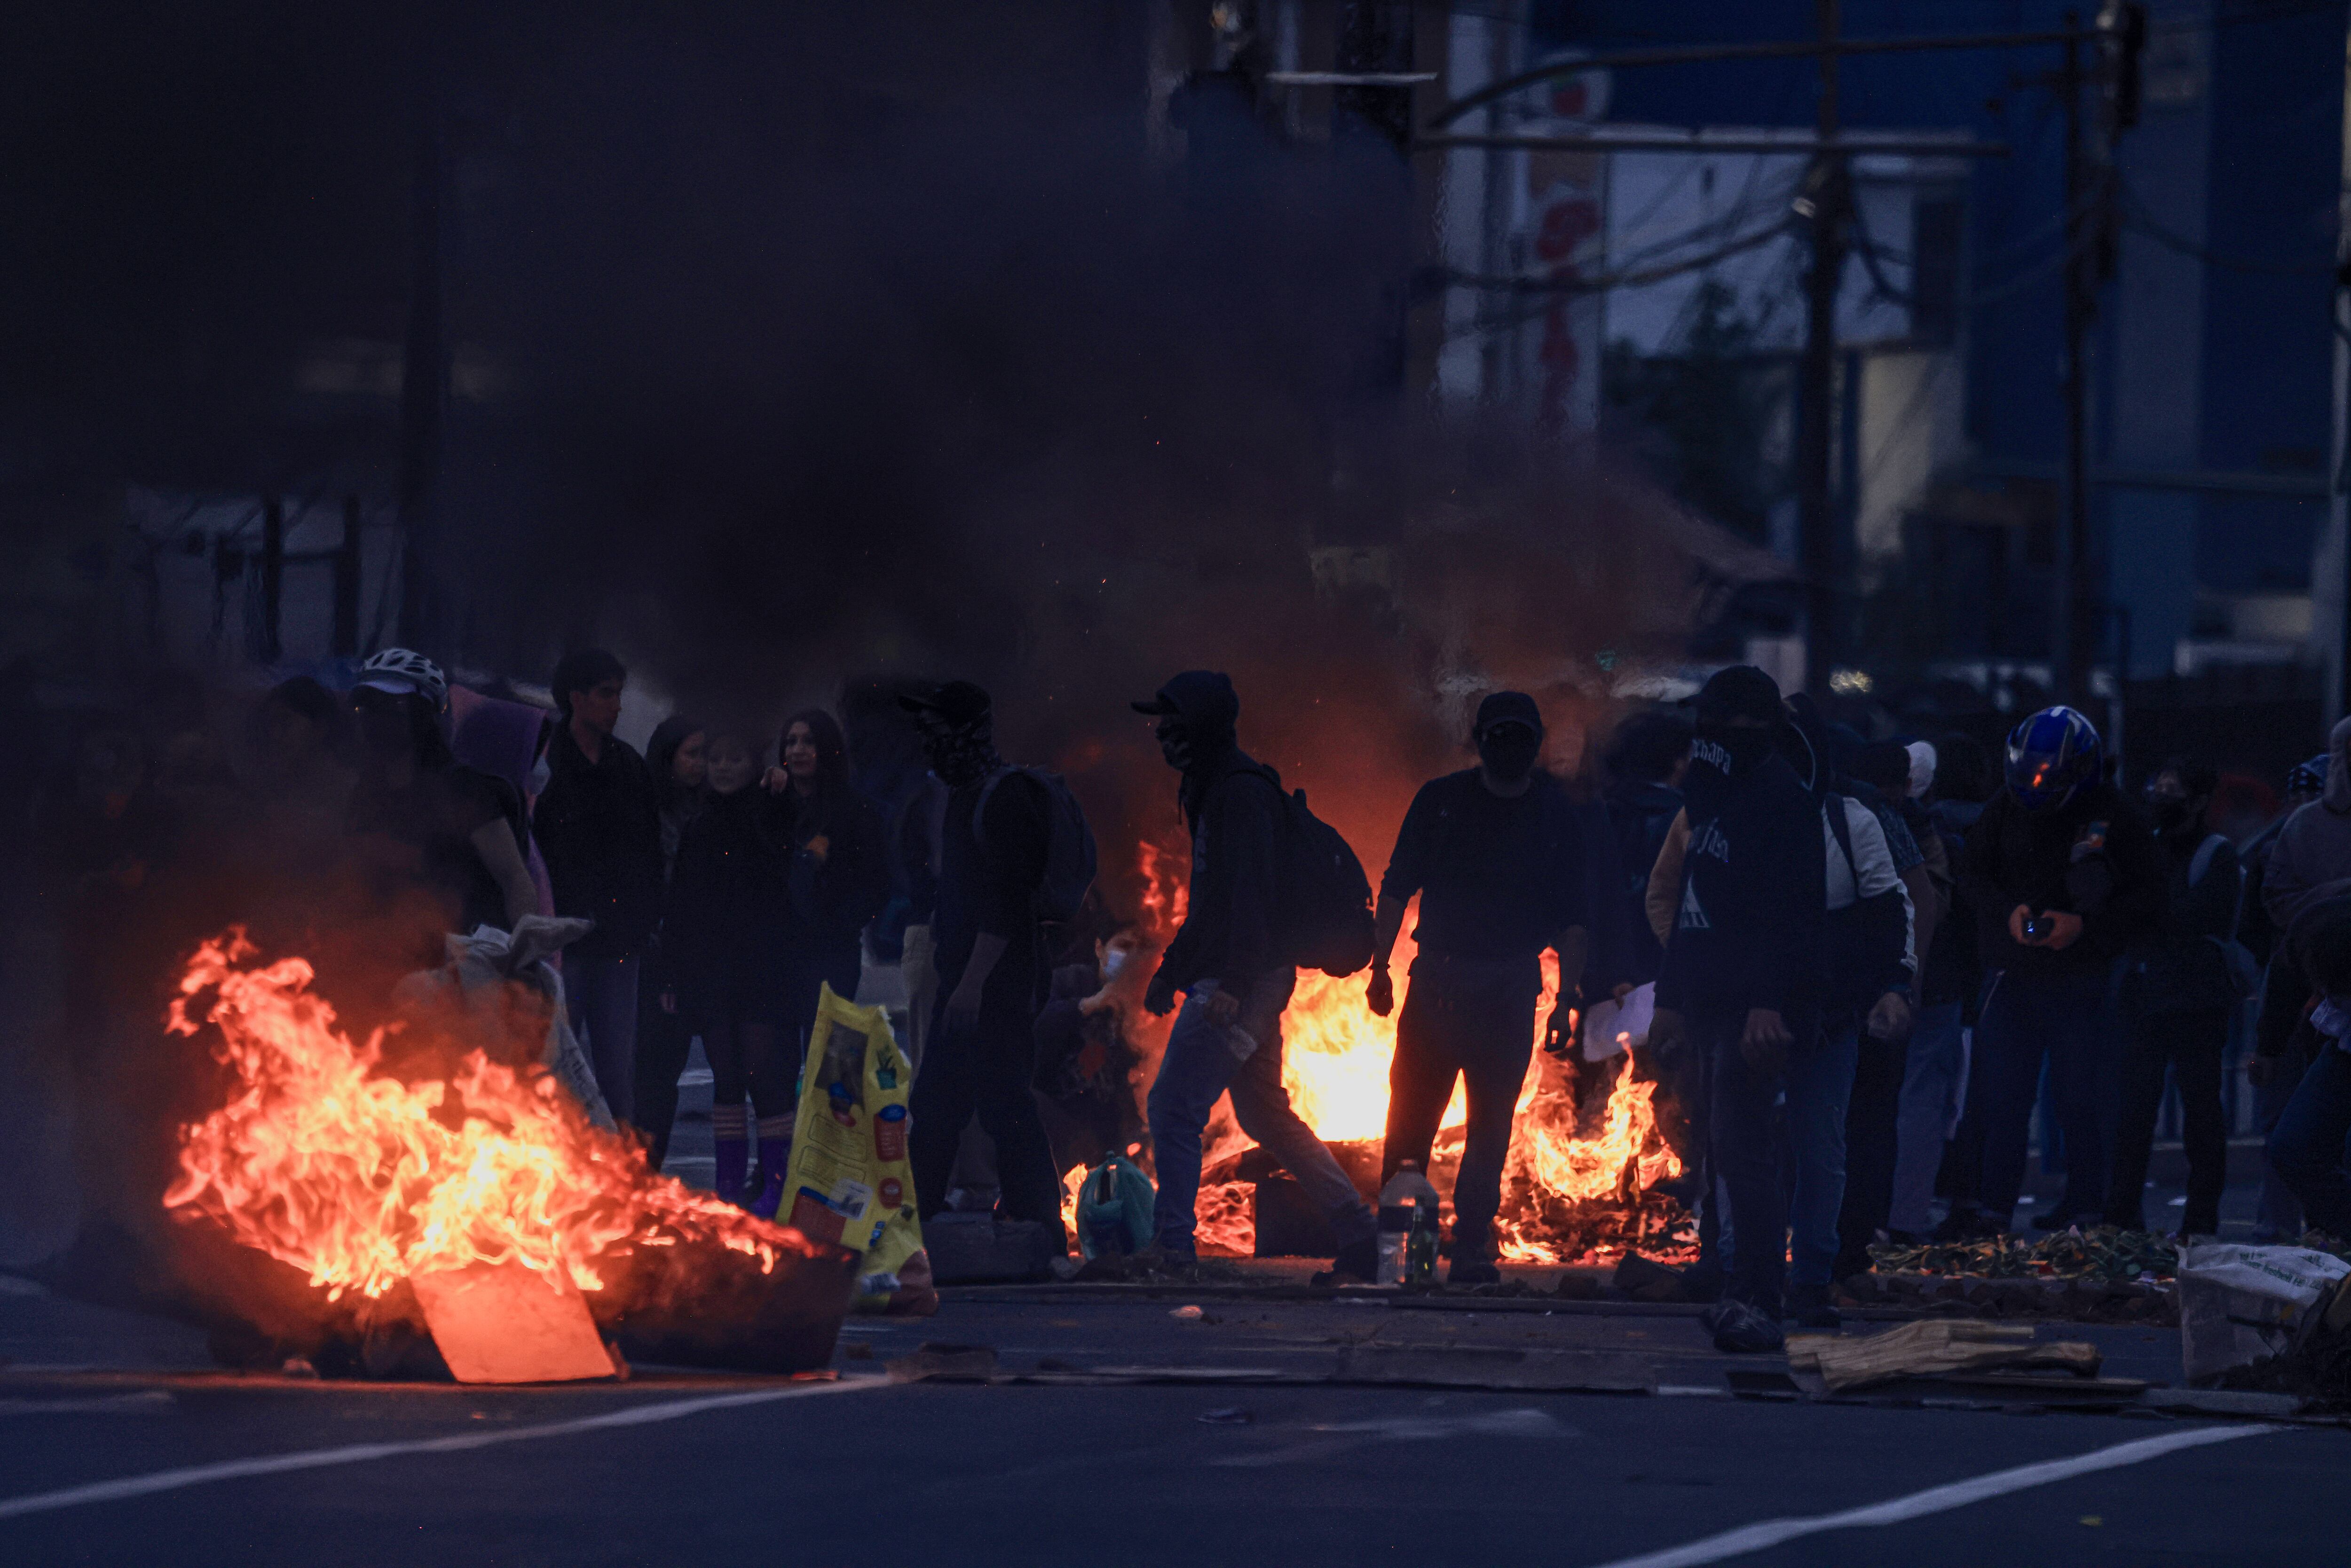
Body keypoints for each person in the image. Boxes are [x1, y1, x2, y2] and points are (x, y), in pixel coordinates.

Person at [1136, 670, 1378, 1278]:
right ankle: (1357, 1230)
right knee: (1265, 1114)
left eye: (1173, 723)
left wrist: (1235, 988)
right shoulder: (1212, 786)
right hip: (1244, 977)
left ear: (1202, 727)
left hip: (1243, 981)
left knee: (1173, 1106)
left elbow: (1250, 899)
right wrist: (1172, 971)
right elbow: (1211, 900)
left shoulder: (1238, 794)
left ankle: (1172, 1248)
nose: (1163, 735)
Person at [1367, 690, 1590, 1285]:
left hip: (1508, 988)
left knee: (1489, 1128)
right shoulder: (1441, 802)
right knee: (1410, 1125)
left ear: (1535, 744)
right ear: (1480, 740)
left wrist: (1566, 998)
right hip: (1438, 983)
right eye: (1500, 736)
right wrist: (1379, 967)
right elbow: (1396, 886)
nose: (1509, 747)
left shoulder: (1552, 813)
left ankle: (1469, 1250)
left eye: (1520, 737)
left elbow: (1573, 915)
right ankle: (1405, 1257)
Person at [1647, 666, 1824, 1352]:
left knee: (1747, 1150)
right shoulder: (1712, 795)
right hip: (1709, 1000)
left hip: (1755, 1009)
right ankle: (1728, 1278)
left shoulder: (1782, 800)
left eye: (1729, 730)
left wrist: (1766, 1002)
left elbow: (1794, 916)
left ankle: (1760, 1296)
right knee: (1720, 1147)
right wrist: (1670, 998)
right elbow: (1694, 905)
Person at [1949, 706, 2161, 1235]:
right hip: (2014, 973)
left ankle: (2088, 1209)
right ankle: (1992, 1209)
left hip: (2083, 979)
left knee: (2080, 1099)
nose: (2036, 787)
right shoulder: (2005, 807)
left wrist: (2085, 927)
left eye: (2049, 776)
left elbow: (2152, 900)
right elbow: (1971, 872)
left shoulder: (2116, 816)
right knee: (2002, 1101)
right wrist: (2008, 912)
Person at [899, 681, 1066, 1243]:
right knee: (949, 1098)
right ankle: (918, 1219)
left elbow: (1007, 902)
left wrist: (971, 982)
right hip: (967, 976)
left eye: (938, 729)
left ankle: (1039, 1220)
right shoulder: (963, 792)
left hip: (995, 981)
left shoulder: (1002, 798)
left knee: (995, 1099)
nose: (929, 742)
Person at [759, 709, 891, 1201]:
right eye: (790, 742)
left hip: (831, 951)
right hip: (778, 954)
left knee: (834, 1068)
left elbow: (877, 880)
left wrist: (841, 917)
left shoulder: (854, 811)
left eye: (808, 742)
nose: (797, 751)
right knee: (776, 1067)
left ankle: (836, 1172)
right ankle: (780, 1173)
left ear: (828, 750)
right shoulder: (773, 805)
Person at [2106, 759, 2240, 1237]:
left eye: (2171, 790)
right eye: (2156, 787)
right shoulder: (2149, 846)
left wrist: (2143, 909)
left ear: (2199, 800)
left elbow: (2188, 919)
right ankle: (2122, 1216)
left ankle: (2199, 1219)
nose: (2160, 798)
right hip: (2146, 996)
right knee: (2132, 1114)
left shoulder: (2215, 855)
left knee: (2200, 1114)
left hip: (2194, 1003)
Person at [533, 649, 663, 1127]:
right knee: (556, 1071)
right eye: (606, 694)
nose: (617, 706)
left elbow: (648, 850)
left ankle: (623, 1179)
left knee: (615, 1075)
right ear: (576, 698)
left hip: (616, 944)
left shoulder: (627, 766)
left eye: (618, 693)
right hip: (559, 944)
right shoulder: (545, 763)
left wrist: (642, 922)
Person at [664, 729, 794, 1208]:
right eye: (714, 757)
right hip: (712, 968)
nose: (721, 767)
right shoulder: (699, 824)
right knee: (727, 1077)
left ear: (753, 763)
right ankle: (728, 1186)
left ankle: (776, 1183)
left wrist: (778, 794)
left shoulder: (770, 812)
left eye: (733, 757)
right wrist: (674, 973)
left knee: (764, 1074)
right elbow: (680, 904)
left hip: (761, 965)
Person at [345, 649, 537, 962]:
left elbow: (514, 878)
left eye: (392, 707)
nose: (377, 719)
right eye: (367, 706)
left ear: (422, 715)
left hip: (460, 968)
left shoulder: (464, 791)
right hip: (382, 964)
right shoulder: (365, 795)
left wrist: (522, 953)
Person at [1889, 737, 1991, 1241]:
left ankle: (1874, 1210)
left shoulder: (1871, 826)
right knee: (1926, 1100)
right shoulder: (1942, 838)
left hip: (1890, 983)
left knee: (1877, 1100)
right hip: (1940, 987)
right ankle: (1906, 1215)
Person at [2244, 753, 2327, 1237]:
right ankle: (2294, 1228)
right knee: (2289, 1118)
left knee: (2289, 1118)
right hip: (2300, 988)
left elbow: (2254, 927)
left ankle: (2288, 1227)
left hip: (2307, 988)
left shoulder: (2273, 850)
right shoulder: (2279, 850)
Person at [633, 715, 707, 1172]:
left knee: (668, 1071)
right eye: (691, 754)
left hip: (696, 954)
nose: (699, 765)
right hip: (654, 954)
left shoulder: (709, 810)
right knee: (651, 1073)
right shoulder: (649, 811)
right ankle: (640, 1170)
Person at [2262, 895, 2351, 1238]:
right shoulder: (2307, 938)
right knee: (2294, 1147)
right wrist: (2269, 1048)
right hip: (2344, 1047)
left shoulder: (2312, 935)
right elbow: (2284, 985)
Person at [1033, 920, 1150, 1175]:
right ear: (1100, 949)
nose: (1130, 956)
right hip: (1057, 1107)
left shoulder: (1146, 1002)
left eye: (1139, 949)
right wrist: (1086, 1006)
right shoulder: (1068, 981)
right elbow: (1035, 1027)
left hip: (1109, 1129)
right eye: (1123, 946)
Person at [2263, 717, 2351, 934]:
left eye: (2309, 794)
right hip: (2320, 957)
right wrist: (2341, 893)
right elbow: (2279, 902)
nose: (2302, 800)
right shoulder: (2304, 824)